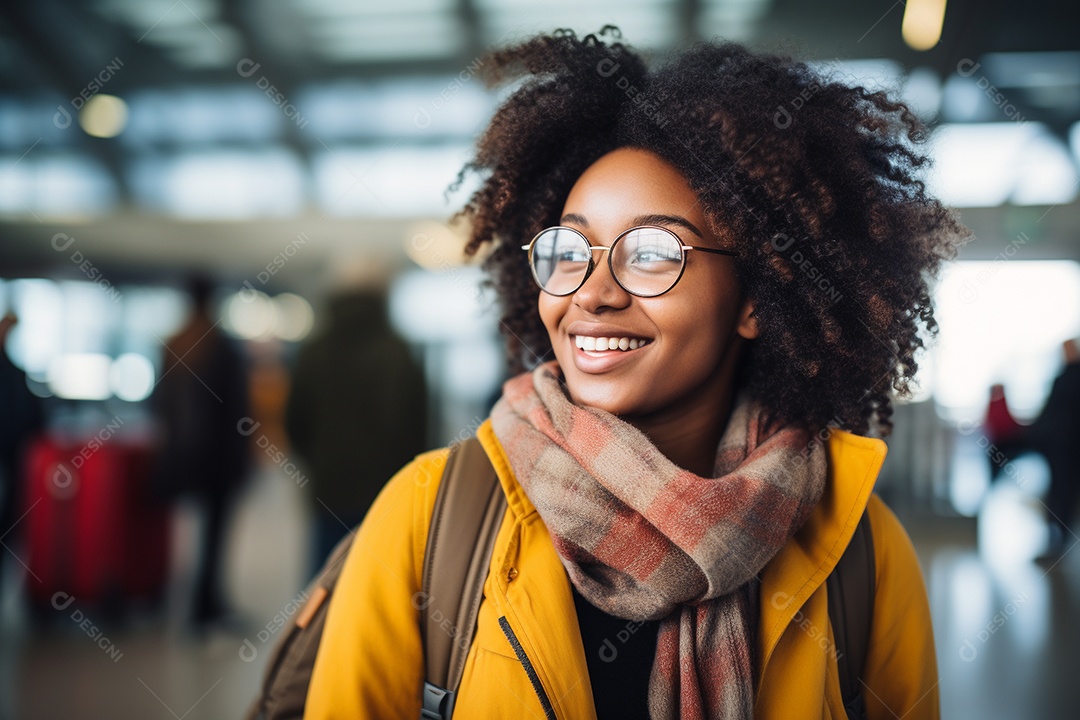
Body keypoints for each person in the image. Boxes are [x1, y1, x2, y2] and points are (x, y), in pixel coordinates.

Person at [303, 29, 963, 719]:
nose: (592, 293)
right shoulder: (427, 518)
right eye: (569, 250)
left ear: (754, 299)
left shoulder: (862, 553)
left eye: (650, 253)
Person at [284, 289, 428, 573]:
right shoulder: (397, 352)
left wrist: (315, 464)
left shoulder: (314, 351)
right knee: (375, 576)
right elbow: (417, 426)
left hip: (329, 486)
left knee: (323, 577)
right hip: (384, 489)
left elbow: (294, 421)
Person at [151, 277, 251, 629]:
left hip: (182, 457)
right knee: (214, 536)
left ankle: (185, 601)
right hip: (219, 460)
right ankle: (206, 605)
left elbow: (159, 405)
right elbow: (236, 411)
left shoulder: (174, 345)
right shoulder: (220, 347)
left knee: (183, 533)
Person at [1031, 339, 1080, 560]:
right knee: (1058, 495)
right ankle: (1056, 541)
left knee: (1064, 495)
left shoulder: (1070, 379)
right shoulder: (1060, 378)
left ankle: (1060, 543)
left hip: (1069, 448)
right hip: (1057, 447)